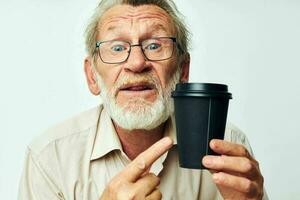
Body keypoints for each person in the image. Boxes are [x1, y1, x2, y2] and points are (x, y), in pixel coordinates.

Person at [18, 0, 268, 199]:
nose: (137, 63)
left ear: (183, 71)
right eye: (117, 48)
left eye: (154, 45)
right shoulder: (50, 158)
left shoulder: (227, 146)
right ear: (92, 76)